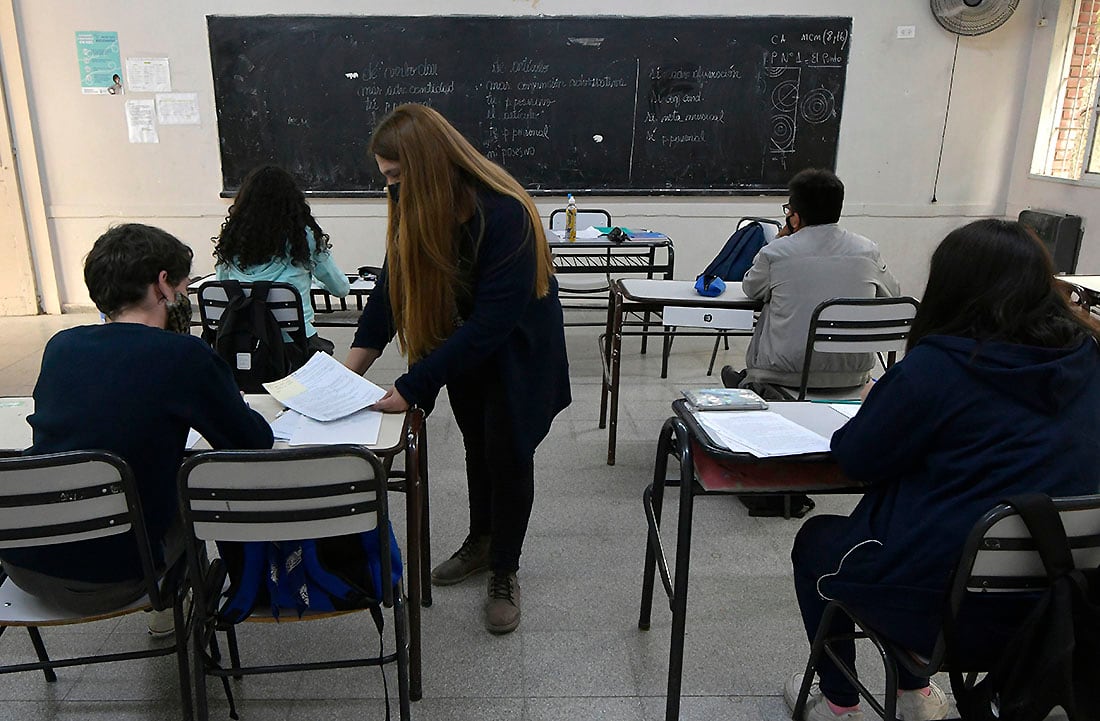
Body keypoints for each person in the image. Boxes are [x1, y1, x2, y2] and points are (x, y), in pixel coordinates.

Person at [785, 219, 1100, 721]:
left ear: (950, 286)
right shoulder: (1090, 358)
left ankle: (842, 700)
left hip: (947, 615)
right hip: (1065, 606)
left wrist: (880, 404)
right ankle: (914, 692)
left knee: (820, 542)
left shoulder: (938, 366)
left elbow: (857, 458)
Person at [346, 103, 571, 634]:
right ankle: (481, 539)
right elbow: (392, 284)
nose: (392, 189)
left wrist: (412, 384)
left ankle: (504, 569)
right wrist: (353, 364)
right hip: (466, 344)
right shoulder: (416, 202)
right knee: (478, 444)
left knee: (509, 450)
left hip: (518, 350)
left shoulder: (506, 212)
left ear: (426, 165)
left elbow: (493, 323)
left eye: (397, 176)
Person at [0, 224, 273, 620]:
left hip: (22, 564)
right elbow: (251, 444)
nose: (182, 298)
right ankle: (178, 621)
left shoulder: (61, 346)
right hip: (117, 576)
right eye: (182, 288)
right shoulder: (184, 355)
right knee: (192, 493)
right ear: (162, 284)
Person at [721, 168, 900, 394]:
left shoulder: (776, 253)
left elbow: (751, 288)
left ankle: (747, 383)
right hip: (853, 375)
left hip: (785, 376)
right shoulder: (868, 251)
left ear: (794, 217)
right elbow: (894, 295)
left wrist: (780, 239)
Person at [213, 164, 351, 354]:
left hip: (244, 343)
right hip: (294, 344)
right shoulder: (304, 237)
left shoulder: (232, 238)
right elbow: (341, 289)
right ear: (293, 201)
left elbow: (221, 285)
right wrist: (317, 280)